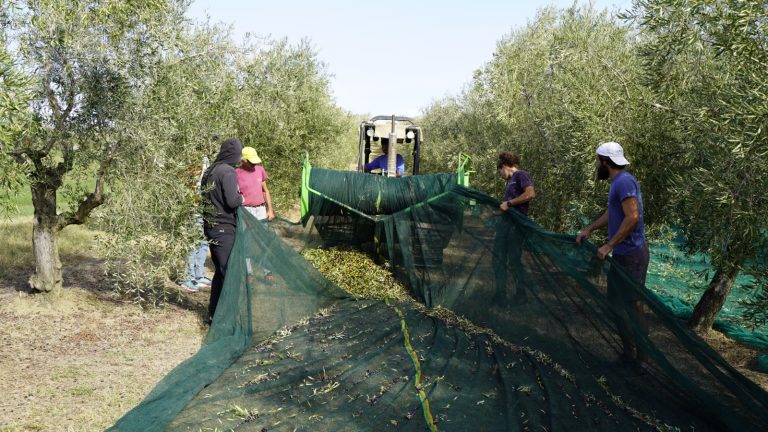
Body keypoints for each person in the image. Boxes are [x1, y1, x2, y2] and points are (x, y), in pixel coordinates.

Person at [575, 141, 649, 367]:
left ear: (605, 162)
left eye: (598, 160)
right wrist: (589, 229)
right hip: (624, 254)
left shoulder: (624, 181)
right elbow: (612, 213)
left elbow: (632, 217)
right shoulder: (618, 182)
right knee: (615, 303)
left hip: (633, 254)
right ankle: (629, 354)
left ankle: (642, 360)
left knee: (634, 306)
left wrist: (609, 245)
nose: (597, 164)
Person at [201, 138, 244, 323]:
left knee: (220, 272)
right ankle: (229, 319)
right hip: (224, 228)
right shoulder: (228, 171)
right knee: (229, 273)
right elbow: (232, 201)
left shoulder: (211, 170)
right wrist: (242, 198)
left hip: (211, 226)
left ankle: (213, 314)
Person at [493, 152, 535, 304]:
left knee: (514, 260)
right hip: (506, 226)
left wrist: (509, 203)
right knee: (498, 258)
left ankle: (521, 293)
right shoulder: (510, 182)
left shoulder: (521, 175)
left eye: (500, 172)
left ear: (504, 167)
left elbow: (530, 194)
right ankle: (500, 294)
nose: (501, 175)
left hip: (515, 228)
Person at [180, 156, 212, 292]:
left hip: (204, 207)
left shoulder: (207, 159)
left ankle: (199, 276)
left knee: (203, 242)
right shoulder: (192, 160)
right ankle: (188, 277)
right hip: (193, 206)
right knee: (193, 242)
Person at [236, 146, 275, 222]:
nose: (254, 163)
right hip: (245, 211)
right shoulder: (236, 173)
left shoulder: (260, 170)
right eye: (251, 162)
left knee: (262, 233)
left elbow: (265, 191)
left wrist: (270, 210)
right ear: (243, 161)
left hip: (261, 210)